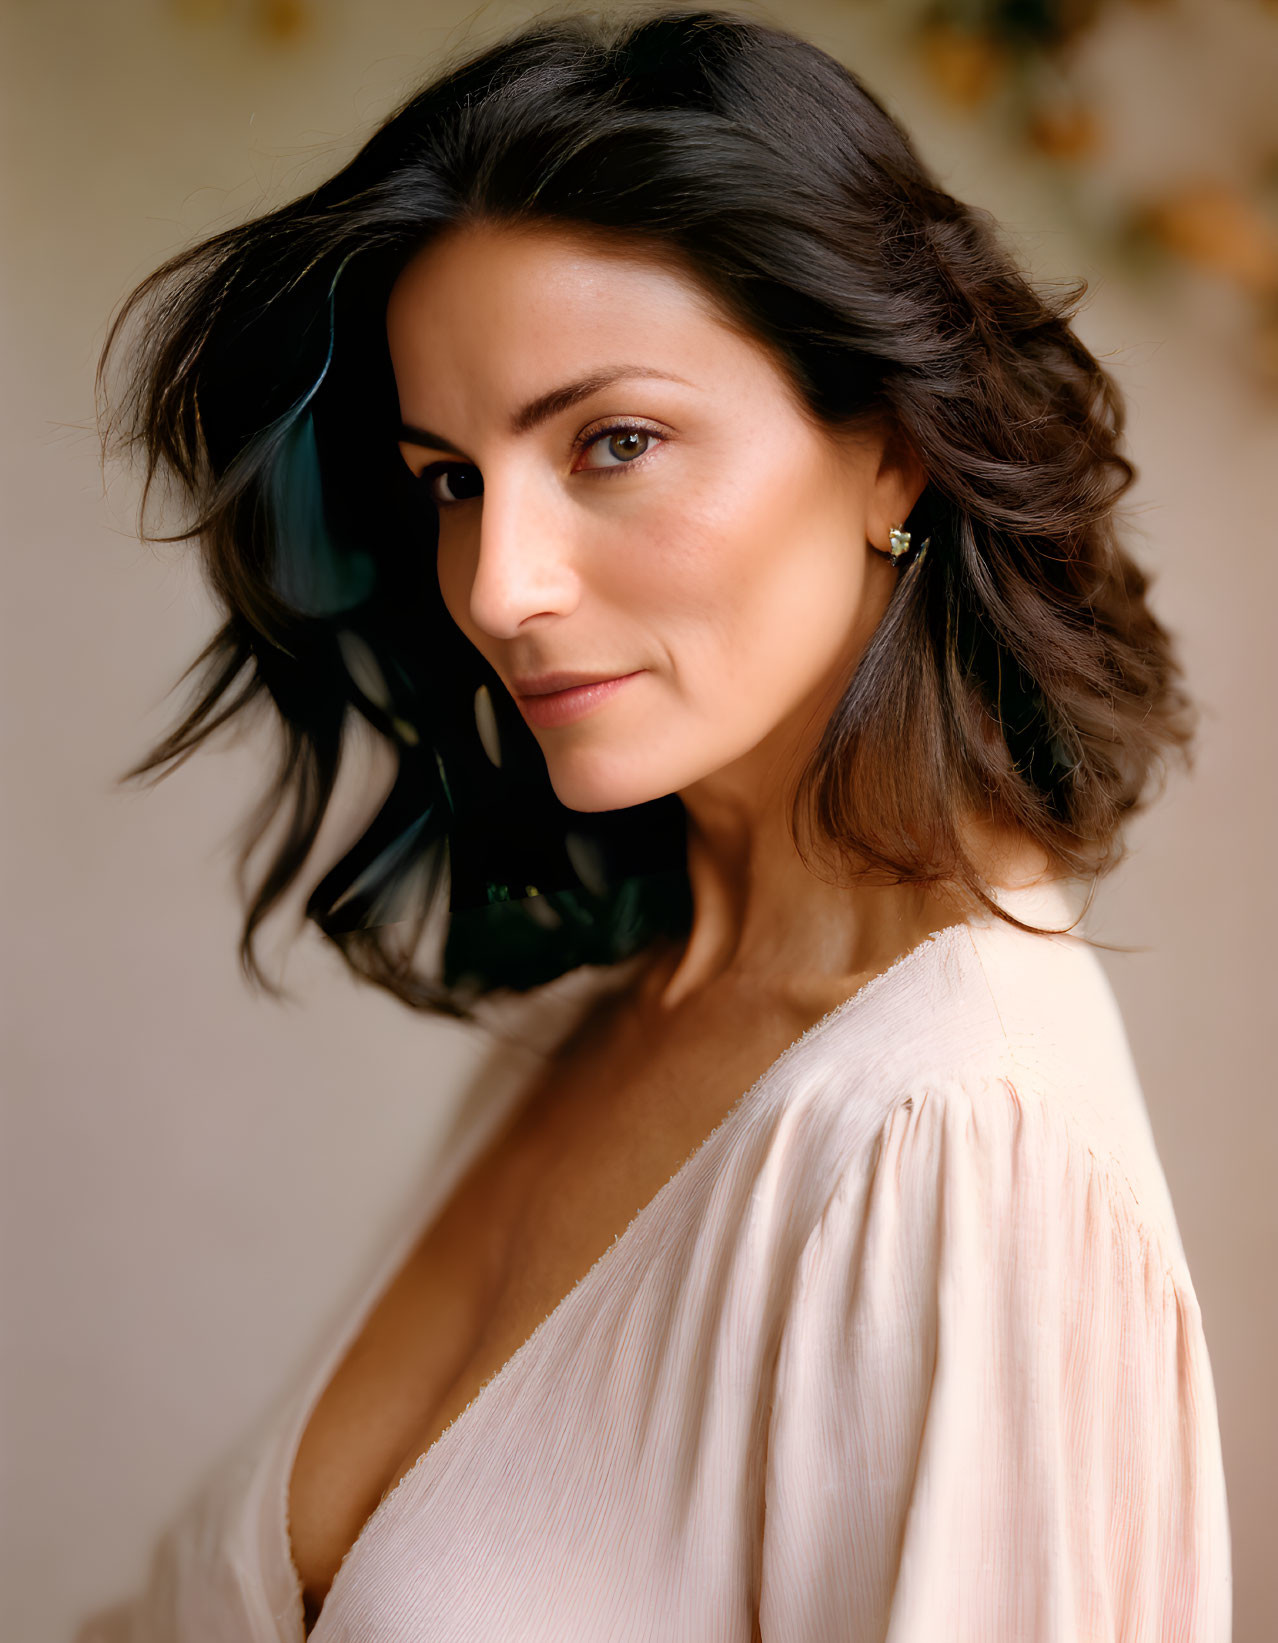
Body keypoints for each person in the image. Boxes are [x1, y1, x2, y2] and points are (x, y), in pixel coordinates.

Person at [79, 7, 1231, 1640]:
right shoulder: (597, 1025)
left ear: (890, 452)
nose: (498, 584)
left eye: (611, 442)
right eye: (448, 480)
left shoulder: (961, 1144)